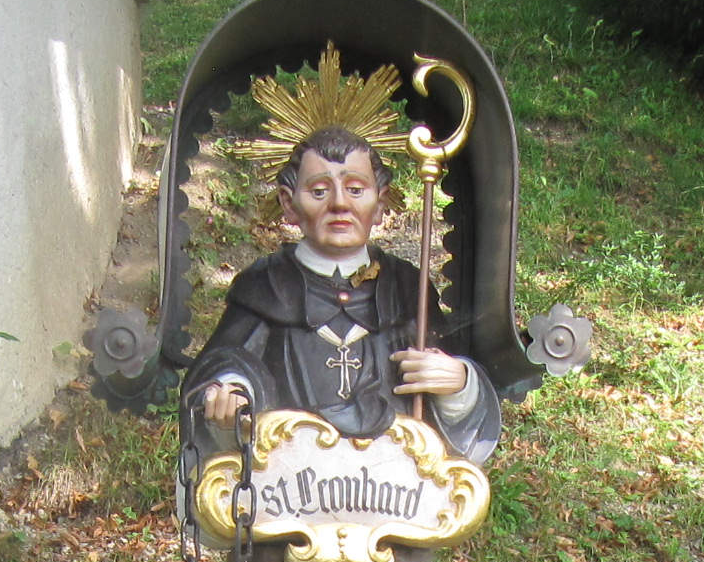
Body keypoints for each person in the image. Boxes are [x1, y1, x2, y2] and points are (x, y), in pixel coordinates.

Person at [186, 125, 501, 464]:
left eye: (355, 189)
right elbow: (223, 364)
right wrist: (231, 394)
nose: (339, 203)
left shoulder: (407, 289)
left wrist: (459, 385)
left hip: (392, 483)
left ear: (379, 204)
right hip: (289, 480)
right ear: (288, 203)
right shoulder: (266, 286)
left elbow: (448, 384)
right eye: (319, 191)